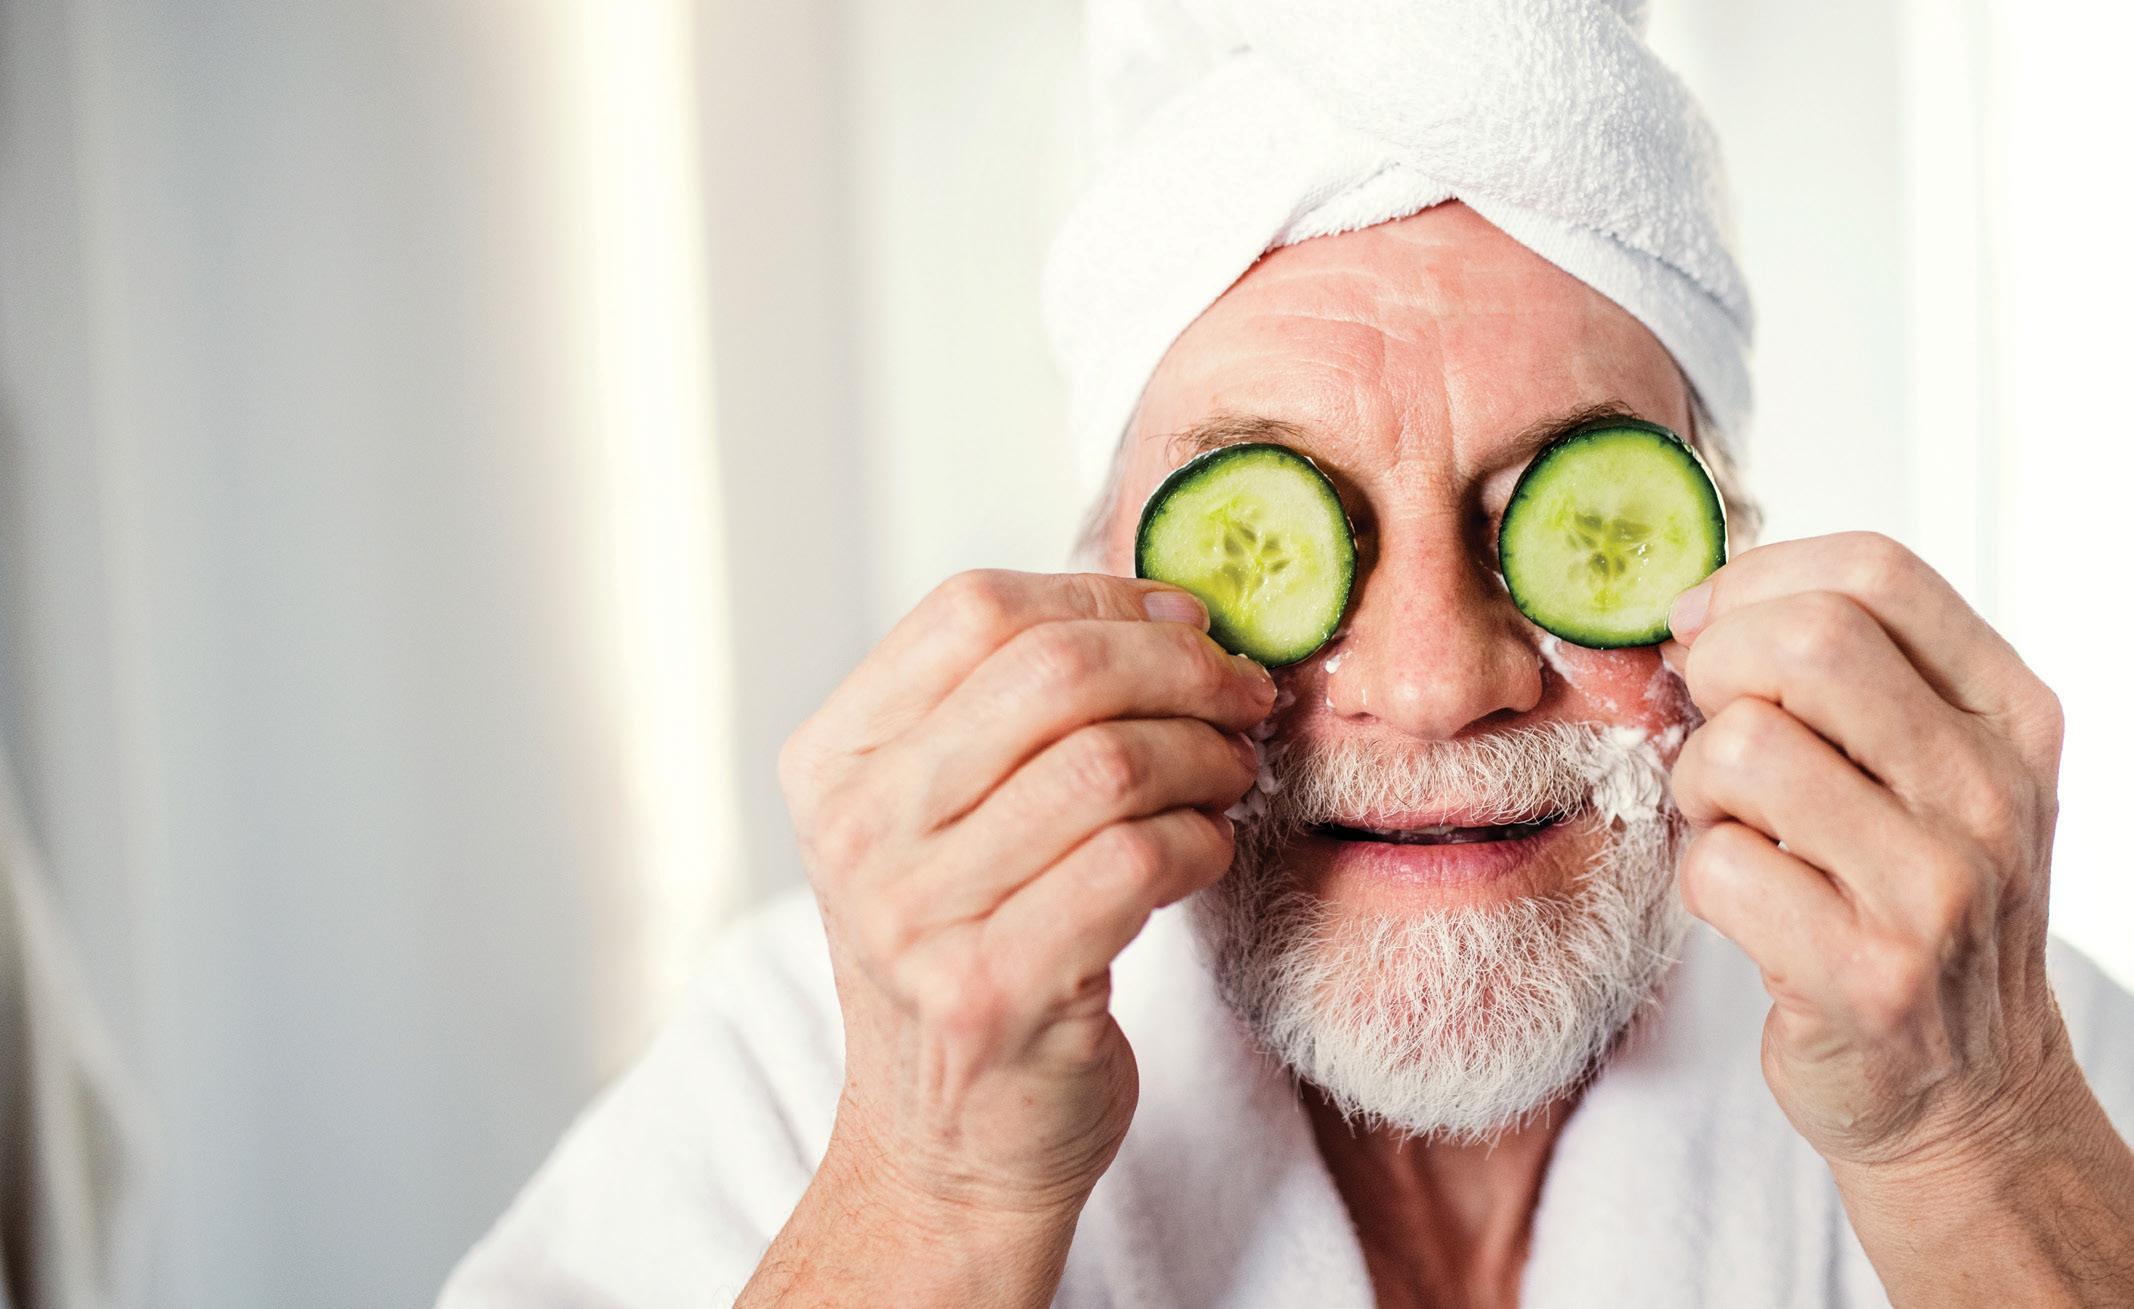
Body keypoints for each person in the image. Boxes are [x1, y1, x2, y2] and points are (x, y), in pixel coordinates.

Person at [442, 2, 2134, 1304]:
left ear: (1733, 563)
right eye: (1274, 540)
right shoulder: (823, 1064)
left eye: (1561, 520)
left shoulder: (1988, 1032)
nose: (1436, 679)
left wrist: (1970, 1140)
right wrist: (932, 1185)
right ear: (1096, 590)